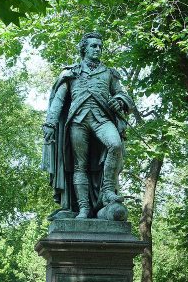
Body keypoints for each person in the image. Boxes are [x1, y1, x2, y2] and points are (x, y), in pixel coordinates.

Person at [43, 32, 133, 220]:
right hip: (78, 122)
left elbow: (122, 95)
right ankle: (83, 208)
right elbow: (59, 100)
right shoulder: (71, 72)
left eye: (100, 46)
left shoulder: (109, 73)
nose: (97, 49)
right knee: (79, 166)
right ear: (84, 48)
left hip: (102, 120)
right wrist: (50, 123)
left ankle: (108, 189)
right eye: (93, 46)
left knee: (115, 145)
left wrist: (119, 101)